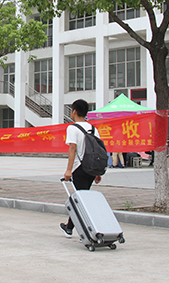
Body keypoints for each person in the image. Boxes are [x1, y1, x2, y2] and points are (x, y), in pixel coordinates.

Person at [60, 99, 102, 237]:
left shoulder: (73, 128)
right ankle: (69, 227)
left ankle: (87, 231)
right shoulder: (93, 129)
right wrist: (98, 172)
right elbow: (98, 150)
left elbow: (72, 148)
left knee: (79, 201)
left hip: (80, 168)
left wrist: (68, 170)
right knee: (80, 199)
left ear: (74, 111)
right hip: (91, 169)